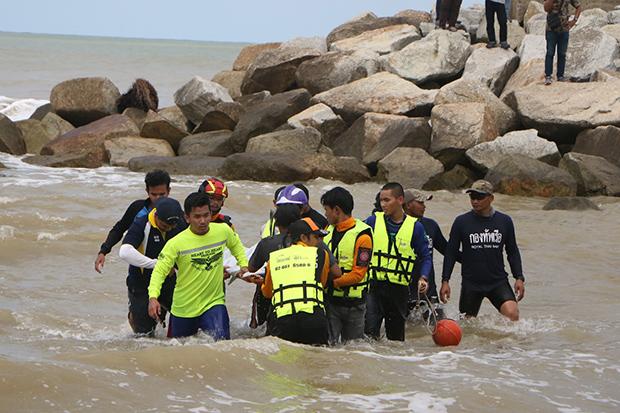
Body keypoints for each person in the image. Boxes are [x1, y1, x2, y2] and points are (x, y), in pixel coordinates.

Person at [148, 192, 249, 340]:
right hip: (184, 308)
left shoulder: (223, 230)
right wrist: (153, 297)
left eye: (206, 215)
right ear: (187, 218)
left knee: (223, 344)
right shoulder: (175, 243)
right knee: (175, 349)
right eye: (197, 216)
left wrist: (243, 266)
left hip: (214, 303)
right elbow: (159, 271)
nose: (202, 221)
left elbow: (236, 246)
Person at [440, 180, 525, 321]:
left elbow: (512, 251)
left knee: (512, 314)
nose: (475, 201)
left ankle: (502, 337)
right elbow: (451, 253)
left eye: (479, 197)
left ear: (491, 198)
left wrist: (519, 278)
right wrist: (445, 280)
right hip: (471, 284)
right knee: (467, 325)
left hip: (498, 281)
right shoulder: (461, 222)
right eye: (472, 197)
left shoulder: (504, 221)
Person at [364, 183, 432, 341]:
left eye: (387, 200)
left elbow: (425, 257)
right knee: (369, 335)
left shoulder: (415, 227)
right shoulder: (372, 221)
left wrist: (423, 277)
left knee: (396, 340)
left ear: (400, 200)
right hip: (373, 287)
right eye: (381, 200)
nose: (383, 204)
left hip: (399, 290)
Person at [256, 218, 336, 345]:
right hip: (312, 318)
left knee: (285, 356)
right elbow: (321, 282)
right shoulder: (320, 254)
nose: (319, 241)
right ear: (303, 237)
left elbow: (267, 293)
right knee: (316, 355)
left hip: (283, 320)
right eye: (316, 237)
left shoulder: (274, 258)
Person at [118, 197, 186, 336]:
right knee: (145, 333)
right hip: (141, 283)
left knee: (184, 322)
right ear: (156, 215)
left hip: (168, 281)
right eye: (165, 225)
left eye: (172, 226)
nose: (170, 228)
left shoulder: (179, 223)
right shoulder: (141, 223)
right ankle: (134, 317)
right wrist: (157, 264)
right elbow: (124, 252)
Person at [320, 187, 373, 344]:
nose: (325, 214)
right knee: (328, 346)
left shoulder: (363, 235)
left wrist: (331, 283)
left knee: (353, 349)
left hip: (354, 305)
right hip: (330, 302)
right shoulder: (326, 231)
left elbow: (358, 274)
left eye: (326, 210)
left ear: (337, 210)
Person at [94, 170, 170, 273]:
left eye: (162, 194)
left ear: (169, 191)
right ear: (147, 191)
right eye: (154, 194)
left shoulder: (176, 214)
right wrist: (103, 251)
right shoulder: (137, 208)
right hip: (138, 271)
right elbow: (119, 229)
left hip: (167, 271)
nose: (158, 198)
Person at [403, 189, 461, 321]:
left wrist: (471, 260)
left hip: (428, 290)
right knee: (406, 329)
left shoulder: (431, 225)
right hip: (404, 290)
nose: (424, 206)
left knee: (439, 325)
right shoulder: (396, 226)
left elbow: (447, 251)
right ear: (408, 205)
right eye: (420, 203)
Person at [246, 203, 301, 331]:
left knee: (265, 331)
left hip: (270, 294)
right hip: (299, 294)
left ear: (276, 223)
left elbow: (252, 268)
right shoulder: (307, 242)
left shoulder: (267, 243)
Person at [543, 0, 581, 85]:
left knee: (562, 53)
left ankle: (560, 76)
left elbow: (578, 6)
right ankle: (548, 76)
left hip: (564, 29)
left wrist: (574, 21)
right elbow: (546, 8)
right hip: (551, 29)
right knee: (550, 53)